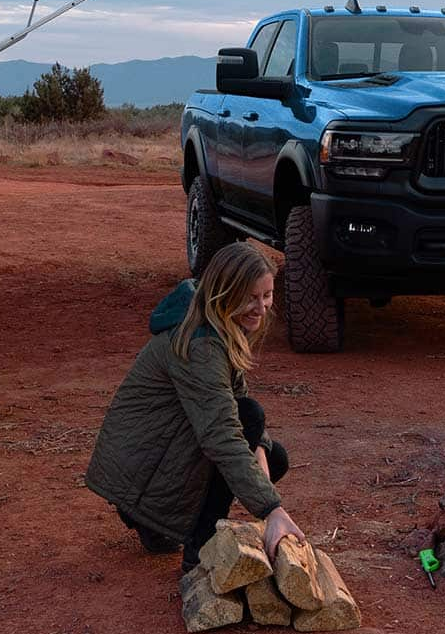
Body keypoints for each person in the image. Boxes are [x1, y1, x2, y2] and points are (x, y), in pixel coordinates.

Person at [85, 244, 305, 570]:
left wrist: (258, 445)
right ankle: (198, 550)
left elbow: (235, 396)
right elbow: (222, 434)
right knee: (246, 422)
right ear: (225, 293)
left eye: (267, 296)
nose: (261, 307)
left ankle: (154, 523)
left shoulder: (218, 323)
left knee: (272, 457)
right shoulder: (201, 344)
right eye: (251, 297)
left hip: (154, 460)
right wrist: (272, 510)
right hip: (140, 473)